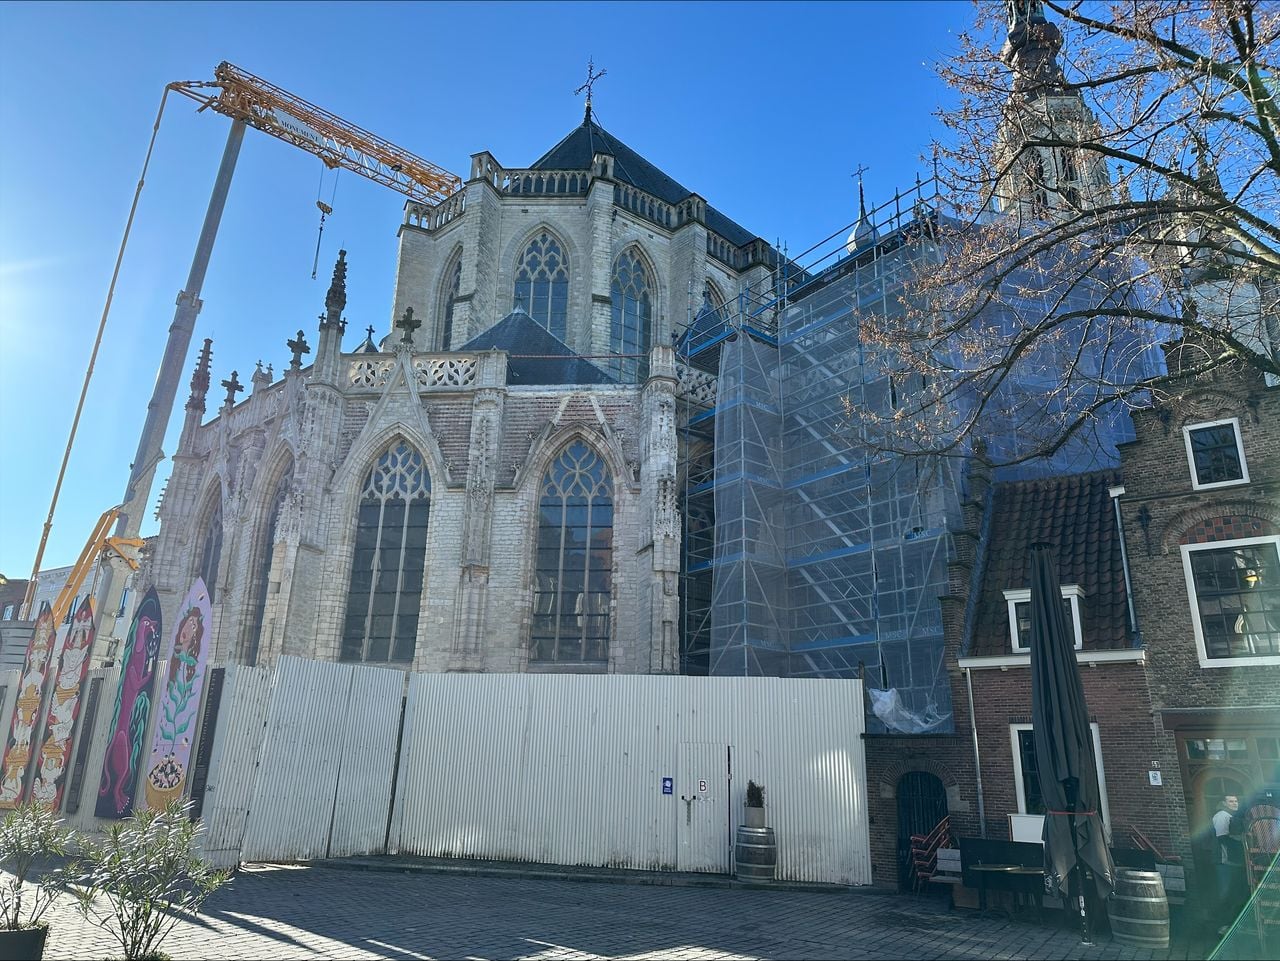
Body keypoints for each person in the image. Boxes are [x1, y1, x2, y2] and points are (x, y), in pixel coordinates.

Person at [1213, 795, 1245, 935]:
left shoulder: (1231, 817)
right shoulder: (1222, 815)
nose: (1234, 803)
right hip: (1225, 861)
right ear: (1224, 803)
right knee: (1226, 893)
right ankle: (1223, 926)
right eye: (1231, 801)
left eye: (1236, 801)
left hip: (1234, 862)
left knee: (1234, 893)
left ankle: (1232, 924)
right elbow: (1223, 839)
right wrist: (1242, 842)